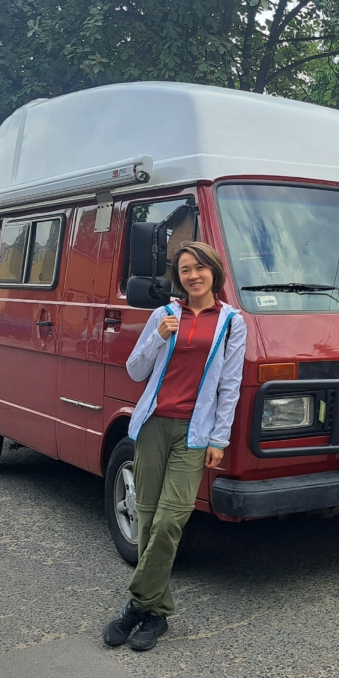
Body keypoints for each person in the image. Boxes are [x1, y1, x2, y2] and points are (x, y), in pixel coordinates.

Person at [102, 241, 247, 651]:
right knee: (147, 517)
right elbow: (134, 370)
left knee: (171, 519)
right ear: (177, 277)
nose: (193, 275)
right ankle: (156, 613)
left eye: (200, 268)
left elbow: (229, 385)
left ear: (214, 272)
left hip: (194, 434)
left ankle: (134, 605)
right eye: (185, 270)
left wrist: (220, 437)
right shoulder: (163, 316)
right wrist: (156, 339)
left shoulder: (232, 322)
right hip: (151, 427)